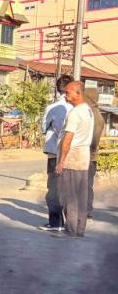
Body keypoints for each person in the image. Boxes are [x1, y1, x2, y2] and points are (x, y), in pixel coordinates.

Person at [54, 81, 95, 238]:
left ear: (78, 93)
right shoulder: (87, 110)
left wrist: (61, 161)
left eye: (69, 92)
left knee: (70, 196)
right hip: (83, 158)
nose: (66, 94)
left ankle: (70, 230)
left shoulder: (75, 113)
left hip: (73, 158)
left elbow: (68, 139)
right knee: (81, 196)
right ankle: (79, 229)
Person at [38, 75, 73, 232]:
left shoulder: (53, 108)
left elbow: (43, 128)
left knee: (53, 189)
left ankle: (55, 223)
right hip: (74, 154)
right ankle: (72, 223)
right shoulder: (78, 108)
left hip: (55, 153)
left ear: (57, 89)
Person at [84, 88, 105, 219]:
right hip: (91, 155)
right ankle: (87, 209)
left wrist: (89, 149)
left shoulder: (93, 115)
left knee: (84, 184)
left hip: (88, 155)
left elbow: (94, 139)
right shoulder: (94, 113)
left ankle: (86, 209)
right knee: (87, 184)